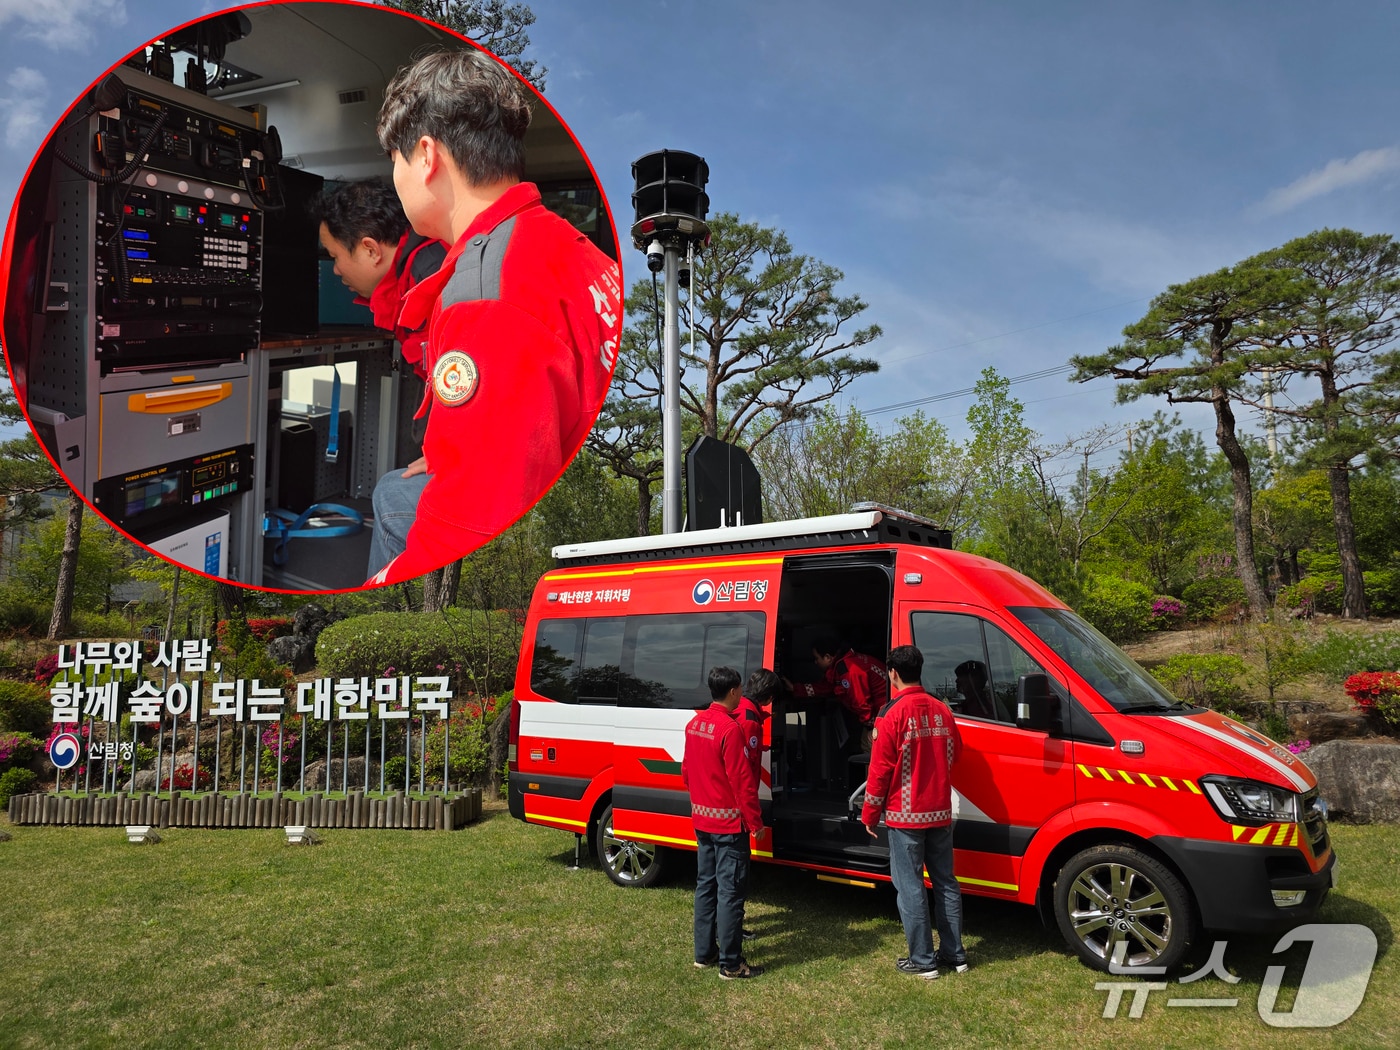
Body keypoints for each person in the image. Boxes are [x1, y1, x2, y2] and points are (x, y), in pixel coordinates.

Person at [366, 48, 621, 584]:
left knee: (391, 499)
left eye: (395, 159)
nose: (395, 177)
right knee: (398, 488)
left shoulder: (487, 299)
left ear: (427, 156)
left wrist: (377, 595)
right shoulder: (571, 248)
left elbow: (471, 520)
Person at [312, 179, 449, 577]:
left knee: (391, 492)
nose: (335, 269)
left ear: (370, 249)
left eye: (335, 256)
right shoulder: (416, 275)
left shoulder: (435, 284)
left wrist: (449, 455)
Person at [862, 644, 967, 979]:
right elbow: (956, 751)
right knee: (946, 882)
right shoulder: (942, 708)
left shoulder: (891, 713)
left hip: (905, 814)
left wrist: (869, 813)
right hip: (939, 809)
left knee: (910, 885)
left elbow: (879, 771)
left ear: (893, 673)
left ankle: (922, 960)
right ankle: (955, 954)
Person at [682, 666, 765, 980]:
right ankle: (731, 964)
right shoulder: (730, 730)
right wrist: (755, 821)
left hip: (702, 820)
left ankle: (704, 953)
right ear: (733, 691)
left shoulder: (694, 724)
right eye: (741, 688)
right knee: (730, 893)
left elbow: (687, 772)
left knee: (706, 886)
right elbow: (743, 782)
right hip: (730, 826)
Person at [785, 637, 887, 752]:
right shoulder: (843, 666)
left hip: (884, 715)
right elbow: (826, 687)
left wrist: (871, 727)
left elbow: (861, 703)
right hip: (881, 712)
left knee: (867, 743)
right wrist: (796, 689)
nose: (815, 662)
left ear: (828, 657)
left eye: (817, 658)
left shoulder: (848, 671)